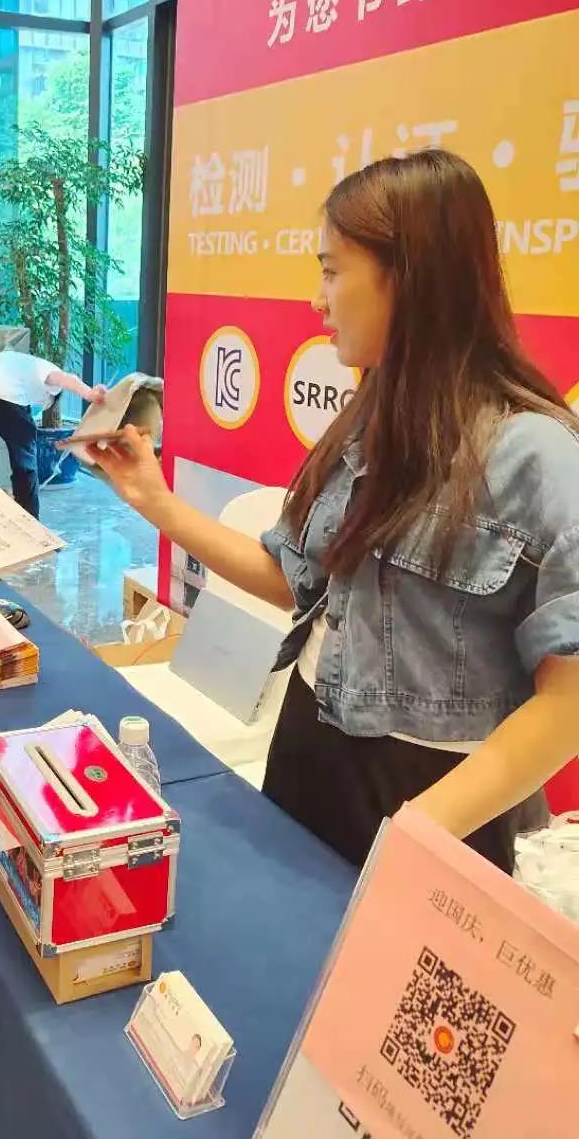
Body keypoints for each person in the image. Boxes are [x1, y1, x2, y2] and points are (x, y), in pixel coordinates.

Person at [92, 152, 579, 874]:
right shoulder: (368, 420)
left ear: (406, 276)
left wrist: (418, 830)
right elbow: (293, 579)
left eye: (331, 271)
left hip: (434, 795)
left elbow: (567, 703)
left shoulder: (536, 455)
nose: (317, 300)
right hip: (308, 747)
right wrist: (152, 498)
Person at [0, 350, 106, 518]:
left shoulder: (19, 365)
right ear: (50, 395)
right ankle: (29, 519)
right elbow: (66, 378)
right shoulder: (45, 369)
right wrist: (89, 393)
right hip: (6, 394)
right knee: (24, 463)